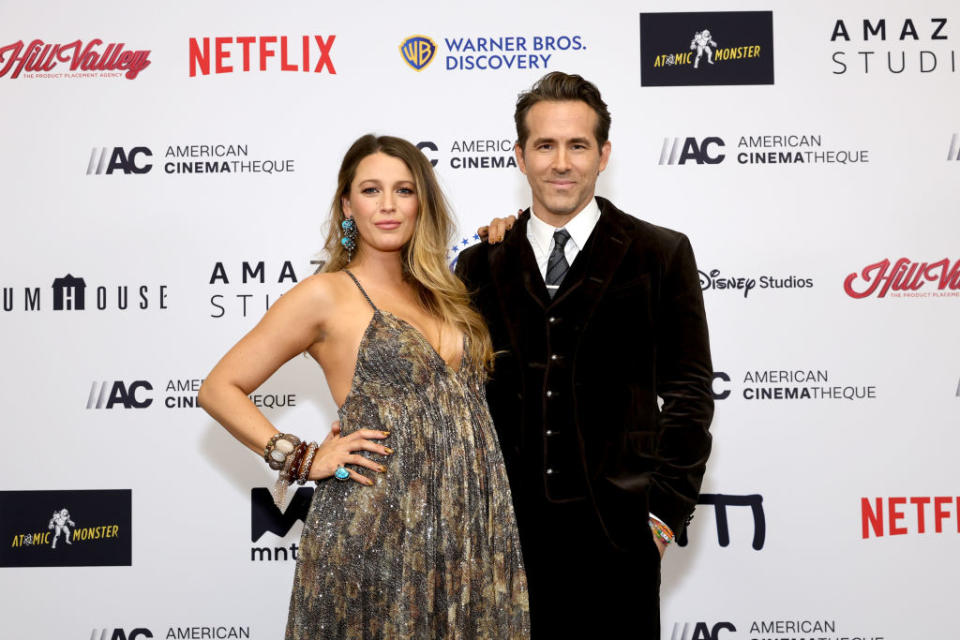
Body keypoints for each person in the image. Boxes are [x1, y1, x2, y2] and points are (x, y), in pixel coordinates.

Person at [198, 134, 529, 639]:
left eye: (404, 190)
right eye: (372, 190)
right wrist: (302, 458)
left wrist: (509, 233)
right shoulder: (325, 295)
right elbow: (219, 387)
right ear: (347, 205)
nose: (389, 205)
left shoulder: (448, 290)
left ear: (423, 203)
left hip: (469, 526)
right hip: (377, 525)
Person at [455, 72, 714, 637]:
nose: (561, 162)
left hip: (618, 540)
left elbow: (691, 393)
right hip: (503, 542)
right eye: (545, 145)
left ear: (604, 155)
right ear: (520, 156)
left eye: (577, 145)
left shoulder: (660, 253)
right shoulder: (479, 264)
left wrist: (663, 515)